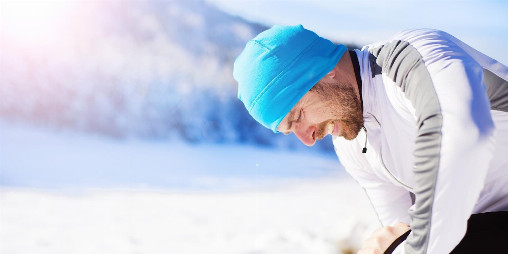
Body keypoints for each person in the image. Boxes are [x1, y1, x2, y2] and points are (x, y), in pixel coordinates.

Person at [233, 25, 508, 254]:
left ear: (322, 72)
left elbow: (462, 138)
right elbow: (403, 228)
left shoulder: (411, 58)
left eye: (298, 116)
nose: (308, 138)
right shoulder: (351, 145)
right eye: (290, 130)